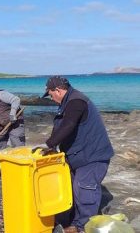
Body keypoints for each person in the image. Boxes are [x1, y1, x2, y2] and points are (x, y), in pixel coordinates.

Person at [40, 76, 114, 233]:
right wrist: (51, 148)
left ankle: (81, 228)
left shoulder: (76, 101)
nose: (52, 99)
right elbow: (61, 128)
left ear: (58, 90)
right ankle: (71, 223)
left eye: (51, 95)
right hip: (79, 156)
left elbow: (69, 125)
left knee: (84, 191)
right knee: (71, 191)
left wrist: (48, 144)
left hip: (93, 157)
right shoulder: (68, 102)